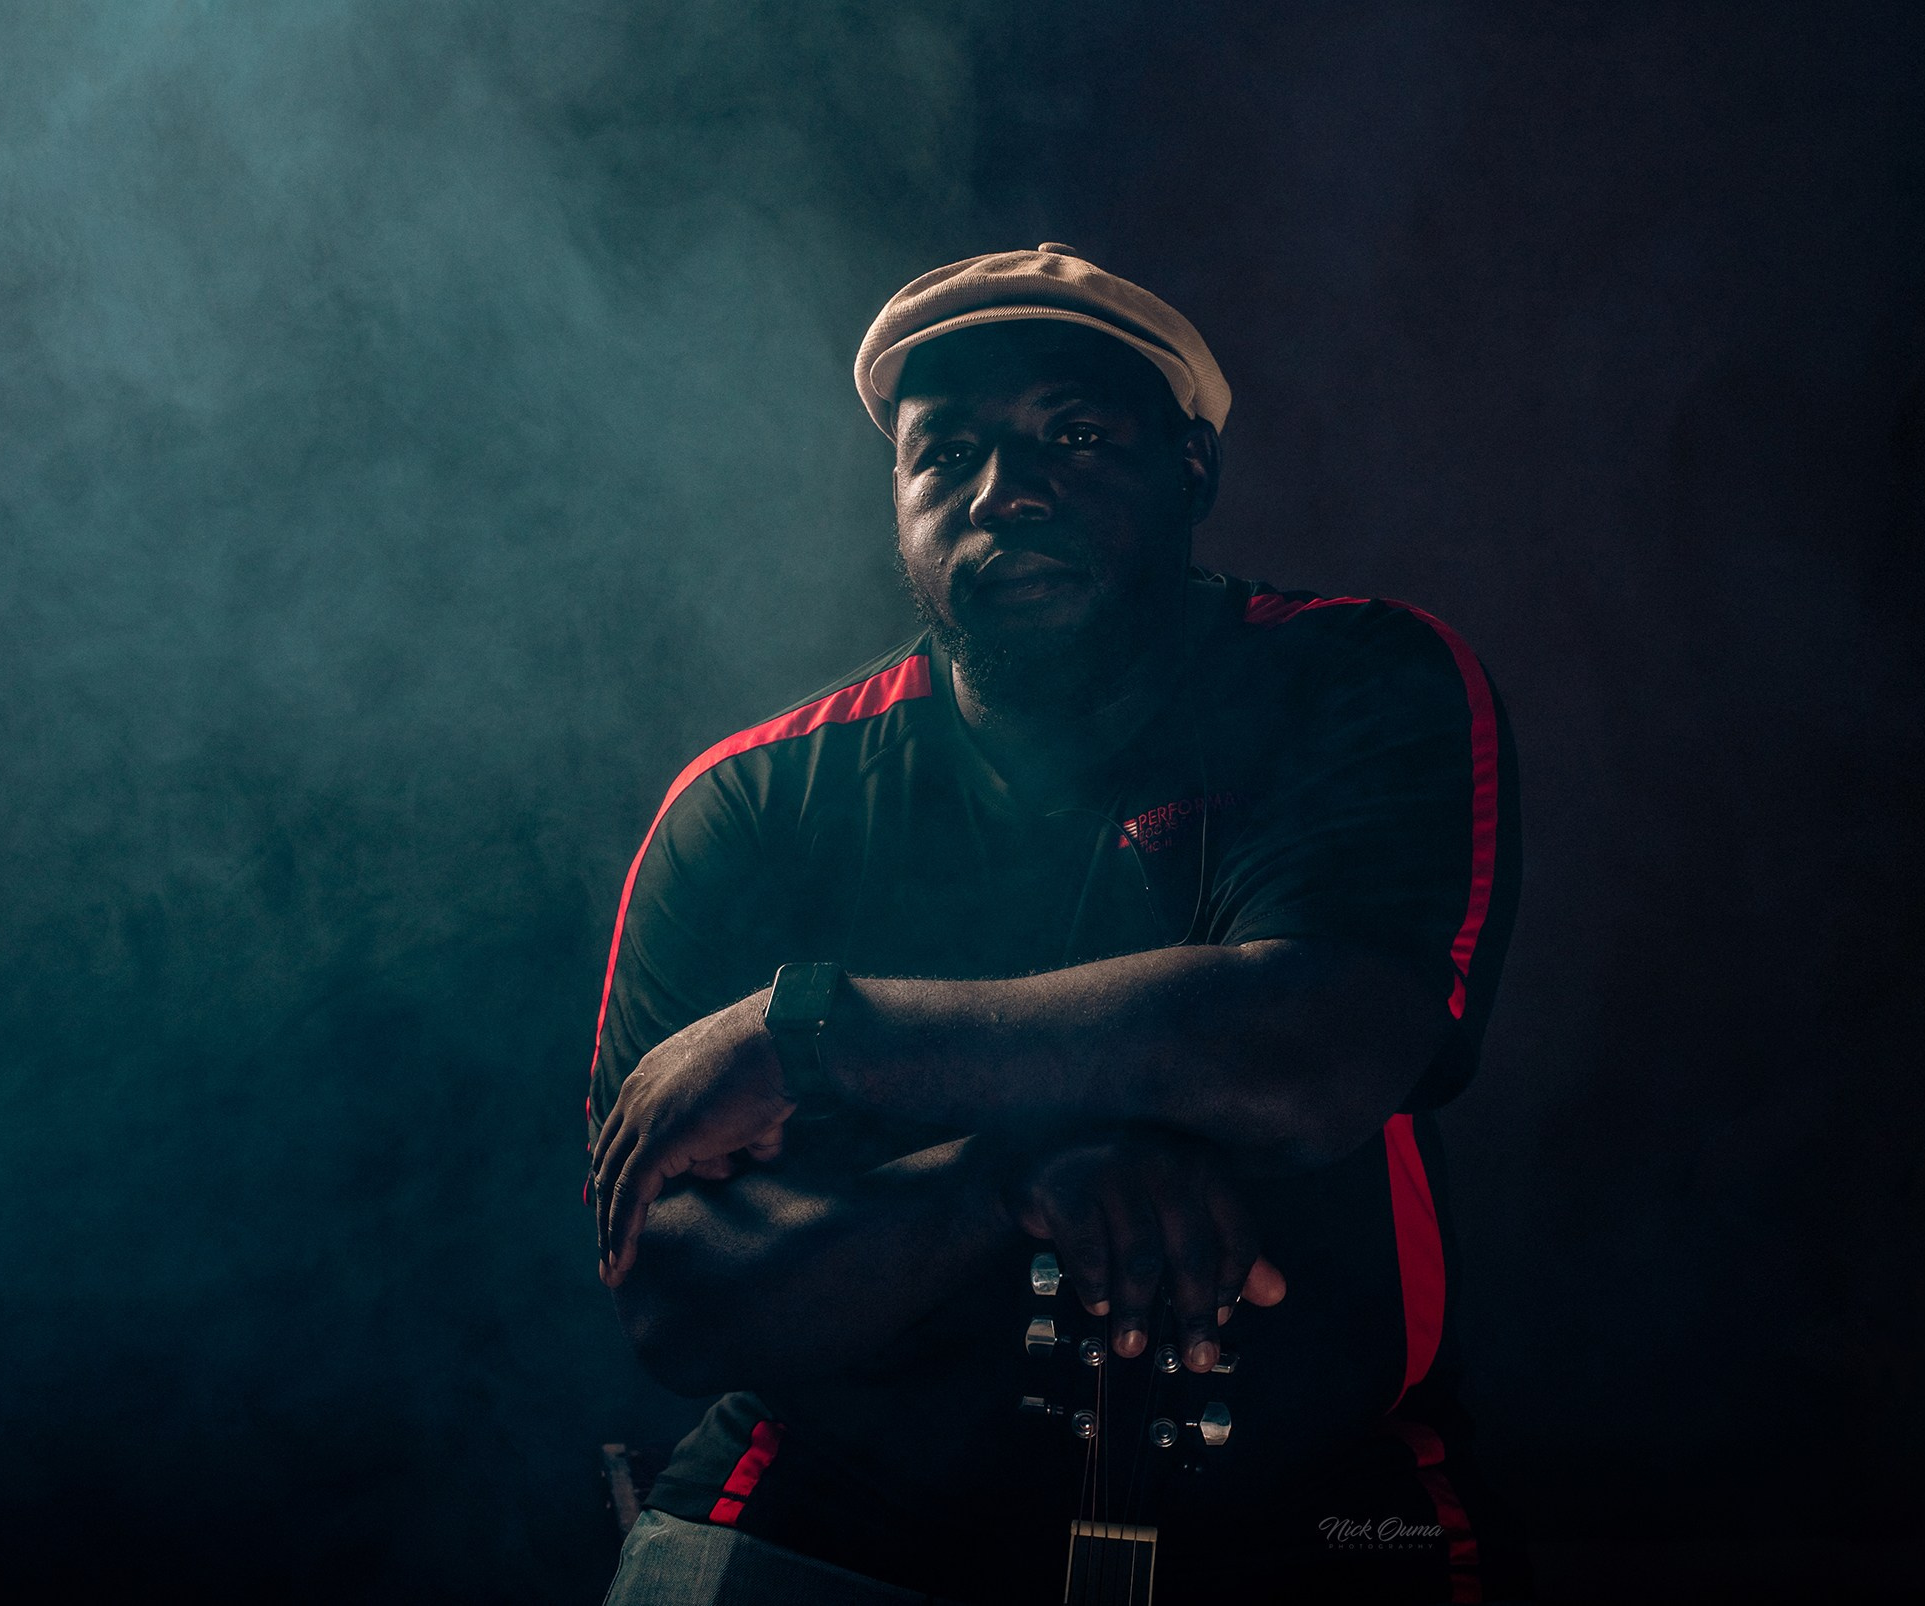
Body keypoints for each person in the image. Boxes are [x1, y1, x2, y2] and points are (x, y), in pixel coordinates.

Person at [584, 244, 1523, 1604]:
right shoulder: (751, 802)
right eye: (944, 454)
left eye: (1074, 438)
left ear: (1190, 465)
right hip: (841, 1507)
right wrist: (1007, 1180)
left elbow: (1313, 1049)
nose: (1004, 492)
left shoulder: (1352, 679)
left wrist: (818, 1031)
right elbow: (674, 1294)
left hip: (1308, 1504)